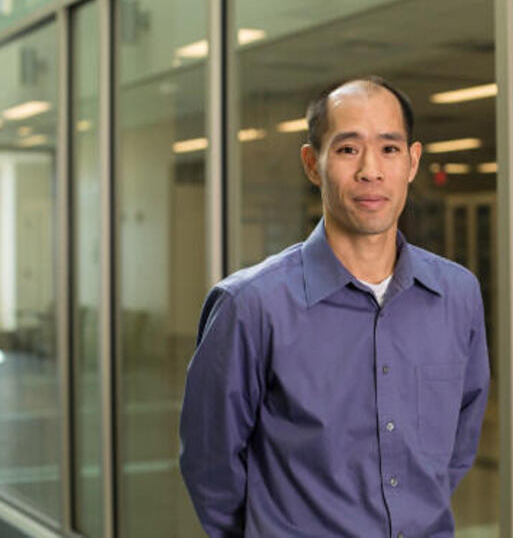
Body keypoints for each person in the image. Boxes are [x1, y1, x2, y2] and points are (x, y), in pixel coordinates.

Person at [179, 76, 490, 537]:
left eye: (389, 149)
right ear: (313, 163)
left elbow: (458, 444)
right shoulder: (250, 306)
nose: (370, 170)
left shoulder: (457, 295)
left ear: (412, 162)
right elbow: (211, 467)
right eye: (348, 149)